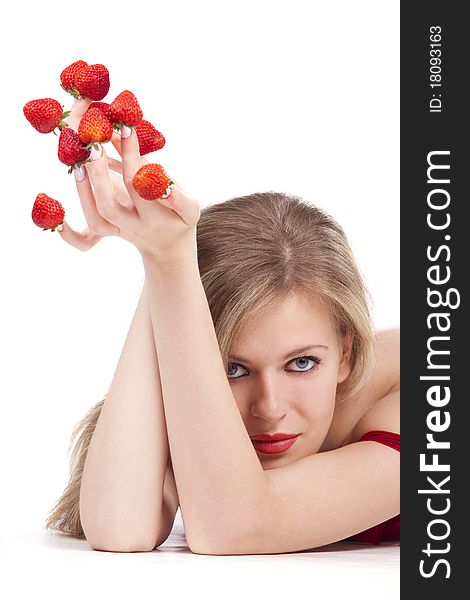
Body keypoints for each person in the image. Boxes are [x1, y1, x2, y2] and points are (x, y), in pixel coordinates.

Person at [44, 99, 400, 555]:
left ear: (346, 354)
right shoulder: (199, 399)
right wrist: (162, 260)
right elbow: (121, 528)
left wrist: (174, 265)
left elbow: (236, 526)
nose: (269, 409)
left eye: (303, 363)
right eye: (233, 369)